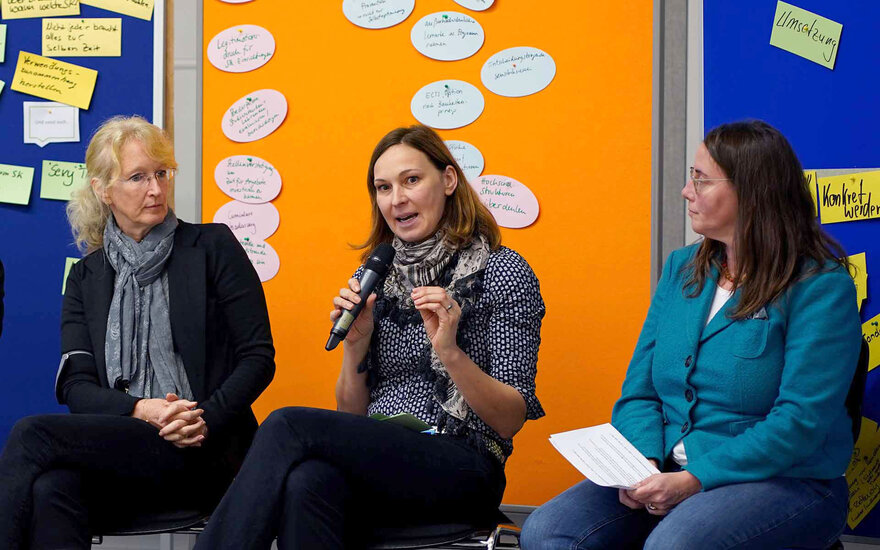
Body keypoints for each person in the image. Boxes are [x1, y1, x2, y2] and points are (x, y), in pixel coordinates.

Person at [195, 124, 545, 549]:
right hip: (379, 454)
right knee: (307, 481)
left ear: (449, 180)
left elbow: (509, 420)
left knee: (287, 423)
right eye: (383, 188)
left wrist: (450, 352)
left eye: (411, 180)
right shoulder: (374, 276)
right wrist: (356, 343)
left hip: (464, 463)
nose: (396, 199)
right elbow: (351, 416)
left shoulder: (502, 272)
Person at [521, 120, 862, 549]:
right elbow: (640, 393)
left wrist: (693, 479)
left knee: (675, 546)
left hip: (788, 480)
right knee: (545, 532)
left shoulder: (820, 287)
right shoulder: (682, 268)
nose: (686, 191)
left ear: (753, 192)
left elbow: (800, 423)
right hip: (666, 468)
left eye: (700, 180)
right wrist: (642, 462)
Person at [0, 116, 275, 550]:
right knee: (51, 487)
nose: (156, 189)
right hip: (126, 450)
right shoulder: (87, 277)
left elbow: (258, 358)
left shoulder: (212, 247)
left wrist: (199, 420)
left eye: (161, 174)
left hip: (206, 450)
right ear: (103, 190)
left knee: (32, 436)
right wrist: (141, 410)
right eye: (138, 177)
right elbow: (76, 385)